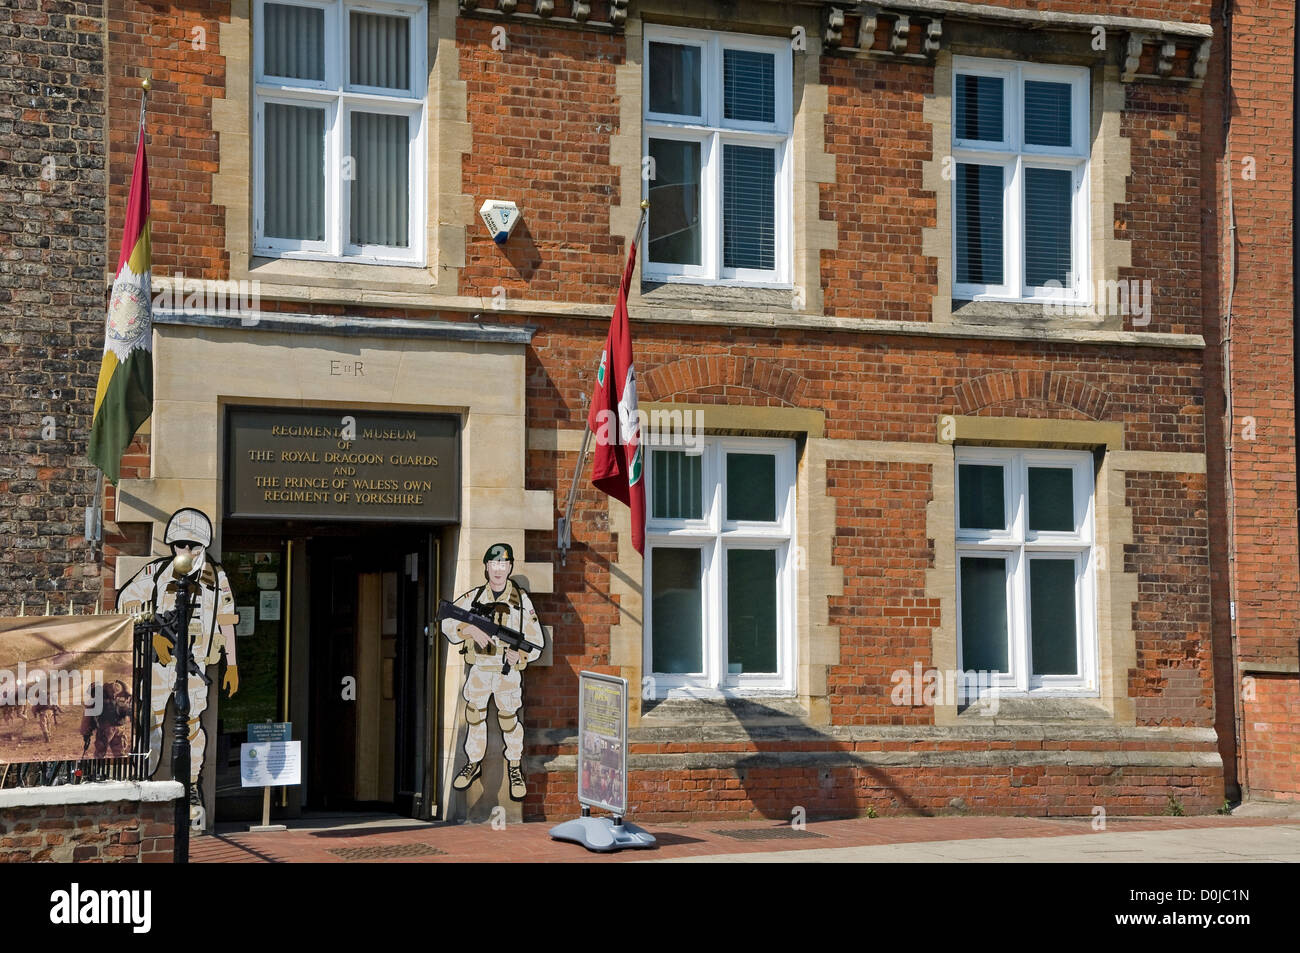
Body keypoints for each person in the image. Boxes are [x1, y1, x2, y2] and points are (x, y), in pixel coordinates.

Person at [115, 507, 239, 825]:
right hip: (161, 661)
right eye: (181, 545)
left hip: (196, 662)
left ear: (203, 546)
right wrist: (153, 631)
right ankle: (145, 781)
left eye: (193, 546)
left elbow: (227, 620)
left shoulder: (216, 578)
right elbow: (126, 602)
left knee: (193, 727)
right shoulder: (157, 572)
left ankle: (191, 786)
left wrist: (232, 664)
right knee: (149, 721)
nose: (186, 552)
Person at [440, 543, 544, 801]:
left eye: (504, 564)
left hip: (507, 674)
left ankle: (514, 766)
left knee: (509, 720)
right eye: (494, 564)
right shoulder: (475, 597)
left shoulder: (521, 603)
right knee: (474, 716)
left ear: (510, 567)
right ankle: (473, 763)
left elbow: (536, 643)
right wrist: (470, 630)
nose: (498, 569)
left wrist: (519, 654)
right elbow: (447, 622)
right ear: (486, 566)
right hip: (480, 670)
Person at [80, 679, 132, 759]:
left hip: (105, 729)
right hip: (120, 727)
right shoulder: (116, 694)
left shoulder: (94, 702)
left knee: (100, 754)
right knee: (120, 753)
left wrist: (85, 733)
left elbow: (86, 720)